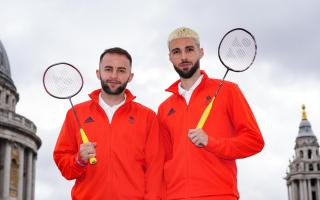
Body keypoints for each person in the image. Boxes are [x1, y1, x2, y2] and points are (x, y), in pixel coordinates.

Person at [157, 27, 265, 200]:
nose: (183, 57)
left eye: (189, 49)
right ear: (170, 57)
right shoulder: (164, 108)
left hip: (219, 194)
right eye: (177, 52)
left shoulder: (229, 91)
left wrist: (211, 142)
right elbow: (162, 160)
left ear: (201, 52)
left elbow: (254, 141)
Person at [53, 47, 163, 199]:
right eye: (108, 69)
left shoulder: (147, 116)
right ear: (98, 73)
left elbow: (155, 170)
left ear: (130, 76)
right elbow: (65, 167)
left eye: (121, 70)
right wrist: (79, 160)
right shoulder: (75, 114)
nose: (114, 76)